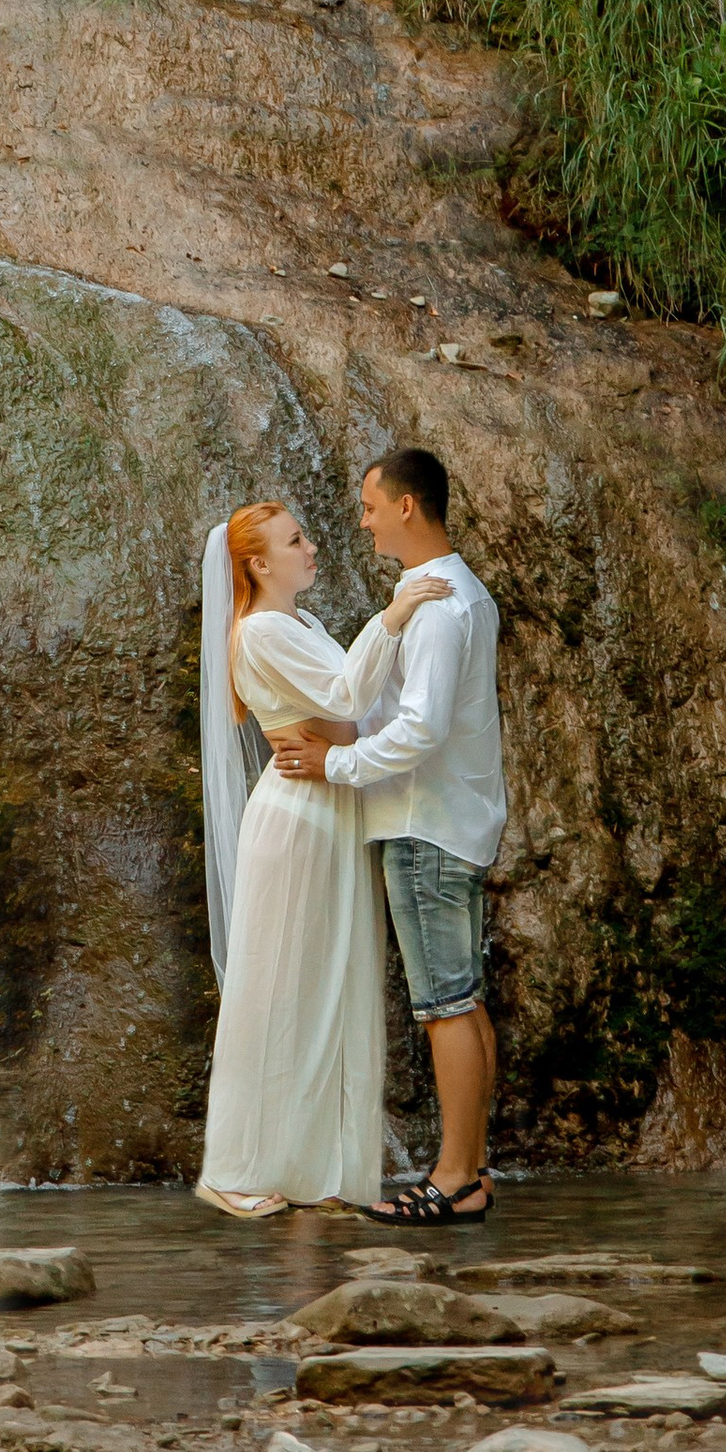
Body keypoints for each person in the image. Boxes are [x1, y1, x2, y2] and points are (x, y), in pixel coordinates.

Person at [270, 444, 506, 1223]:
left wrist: (335, 762)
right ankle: (471, 1170)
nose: (363, 523)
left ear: (407, 507)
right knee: (463, 1003)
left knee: (445, 1004)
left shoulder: (435, 604)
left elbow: (421, 730)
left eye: (371, 507)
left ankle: (453, 1180)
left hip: (424, 823)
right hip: (452, 819)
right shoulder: (454, 592)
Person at [193, 500, 449, 1217]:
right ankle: (231, 1167)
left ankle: (315, 1169)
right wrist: (395, 614)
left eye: (305, 534)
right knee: (273, 989)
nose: (312, 547)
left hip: (330, 805)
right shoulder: (263, 630)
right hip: (298, 817)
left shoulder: (299, 623)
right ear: (258, 564)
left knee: (327, 987)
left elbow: (353, 710)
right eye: (295, 540)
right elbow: (343, 691)